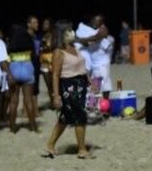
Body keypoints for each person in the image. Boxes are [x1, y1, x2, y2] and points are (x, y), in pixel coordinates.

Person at [44, 22, 92, 159]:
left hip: (80, 84)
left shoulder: (75, 48)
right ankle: (82, 149)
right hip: (68, 86)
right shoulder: (59, 52)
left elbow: (82, 67)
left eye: (72, 30)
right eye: (68, 31)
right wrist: (56, 95)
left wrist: (90, 82)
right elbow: (55, 75)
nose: (72, 33)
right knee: (80, 116)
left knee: (66, 117)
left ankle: (50, 144)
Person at [6, 23, 38, 133]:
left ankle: (12, 128)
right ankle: (33, 127)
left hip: (14, 68)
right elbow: (34, 56)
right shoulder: (29, 42)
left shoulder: (11, 44)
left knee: (13, 101)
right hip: (27, 67)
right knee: (28, 99)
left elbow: (7, 59)